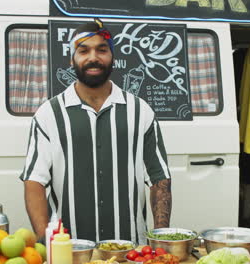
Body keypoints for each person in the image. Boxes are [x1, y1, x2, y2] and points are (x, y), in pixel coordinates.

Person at [20, 18, 172, 245]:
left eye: (102, 50)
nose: (93, 57)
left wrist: (161, 242)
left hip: (130, 250)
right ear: (72, 59)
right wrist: (48, 243)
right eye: (83, 51)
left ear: (112, 57)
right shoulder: (48, 114)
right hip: (70, 249)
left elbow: (159, 180)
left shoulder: (140, 111)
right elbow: (34, 182)